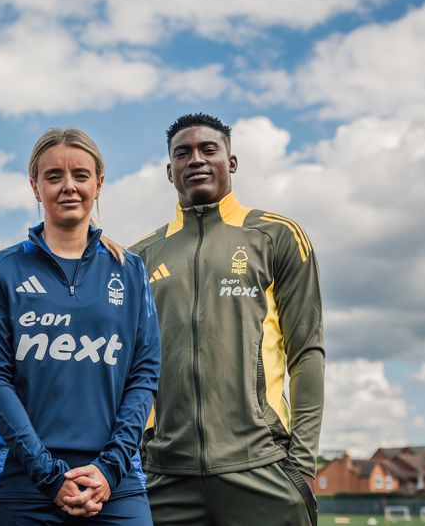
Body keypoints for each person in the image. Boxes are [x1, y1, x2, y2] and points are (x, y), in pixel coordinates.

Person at [131, 113, 325, 526]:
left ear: (231, 162)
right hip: (166, 476)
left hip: (262, 468)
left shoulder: (277, 236)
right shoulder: (139, 258)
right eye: (183, 153)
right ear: (170, 171)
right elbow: (129, 368)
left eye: (208, 149)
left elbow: (307, 353)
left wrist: (302, 465)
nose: (196, 159)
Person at [0, 128, 161, 525]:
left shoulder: (129, 270)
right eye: (54, 176)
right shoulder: (3, 269)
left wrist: (110, 469)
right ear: (35, 186)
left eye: (80, 175)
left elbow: (144, 375)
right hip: (25, 481)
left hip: (115, 482)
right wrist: (47, 473)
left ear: (99, 183)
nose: (69, 187)